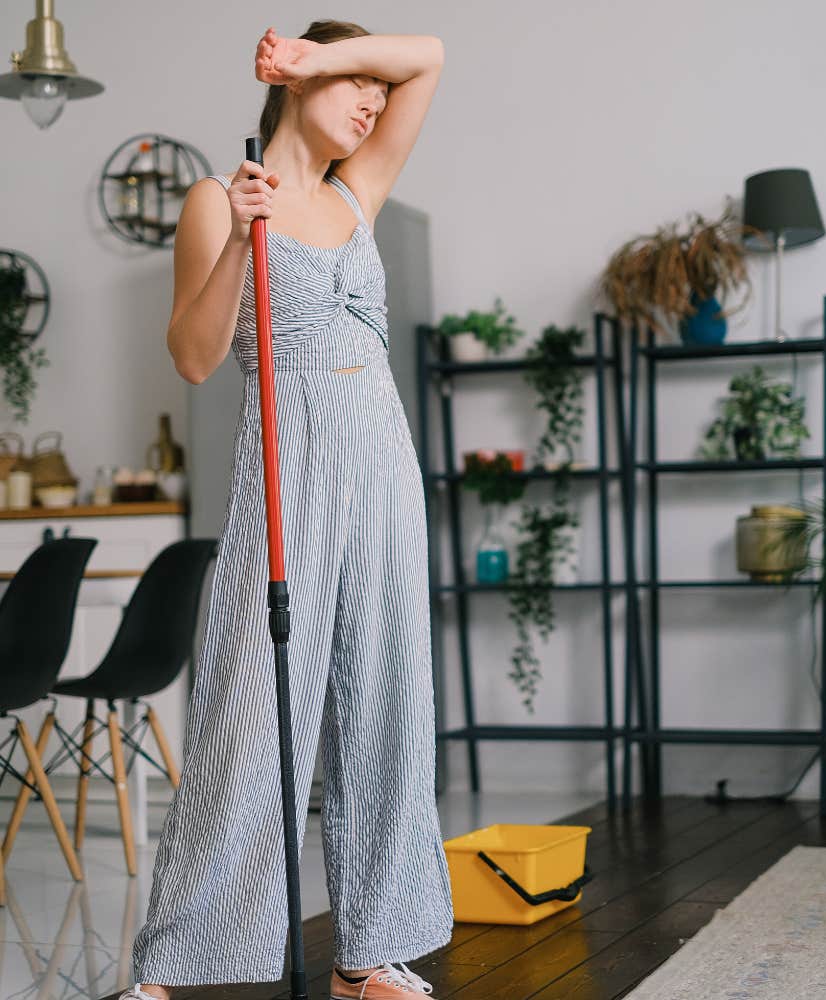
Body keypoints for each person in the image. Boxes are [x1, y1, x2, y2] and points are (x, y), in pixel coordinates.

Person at [119, 20, 451, 1000]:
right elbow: (191, 354)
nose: (371, 102)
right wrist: (238, 232)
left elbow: (427, 57)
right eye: (356, 84)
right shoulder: (216, 197)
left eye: (373, 92)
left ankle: (368, 951)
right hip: (287, 458)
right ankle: (179, 962)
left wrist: (321, 58)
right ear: (297, 83)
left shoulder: (360, 192)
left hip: (382, 463)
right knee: (251, 710)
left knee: (388, 700)